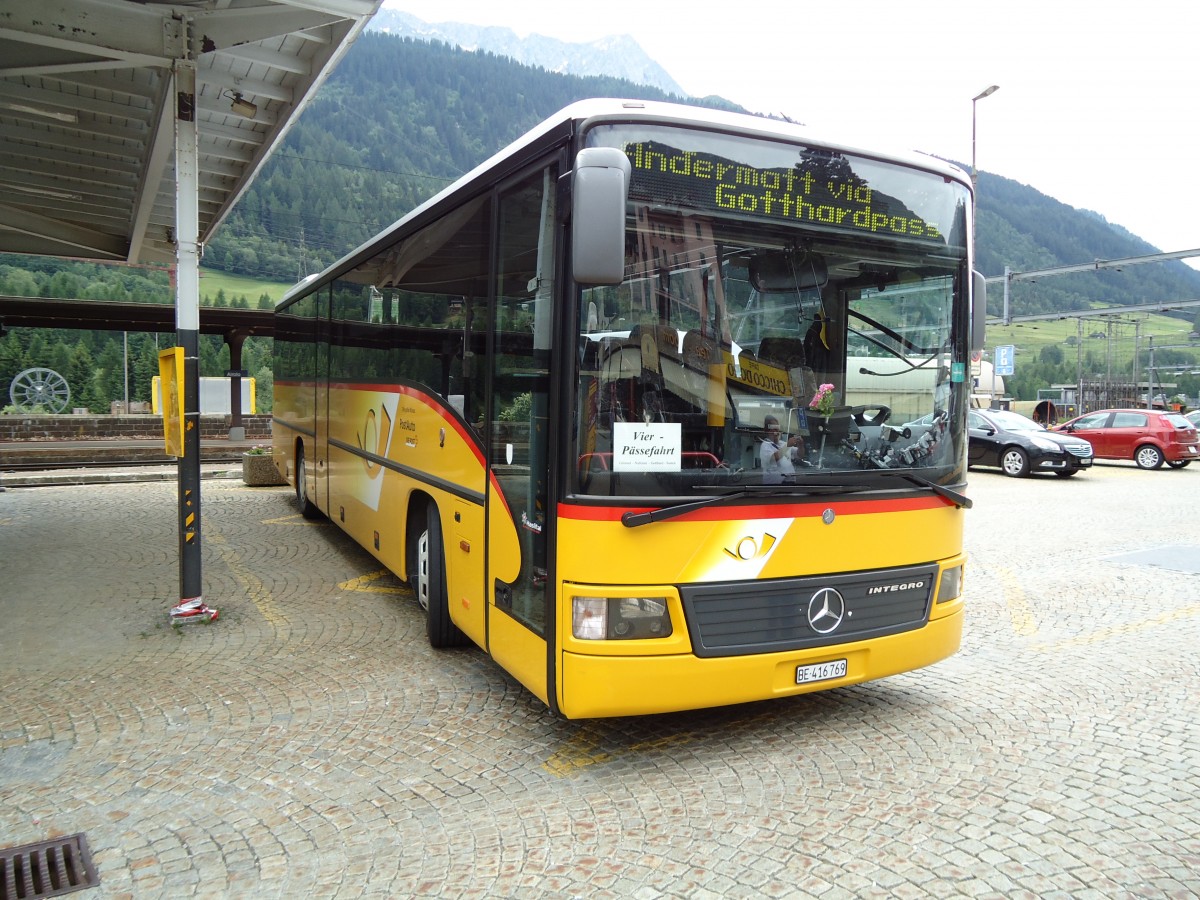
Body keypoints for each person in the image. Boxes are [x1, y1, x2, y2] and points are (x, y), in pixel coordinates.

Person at [759, 414, 804, 483]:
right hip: (774, 487)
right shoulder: (765, 445)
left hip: (789, 483)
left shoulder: (783, 444)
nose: (776, 432)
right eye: (773, 429)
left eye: (777, 429)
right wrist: (787, 446)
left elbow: (799, 455)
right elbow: (773, 458)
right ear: (767, 431)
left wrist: (800, 445)